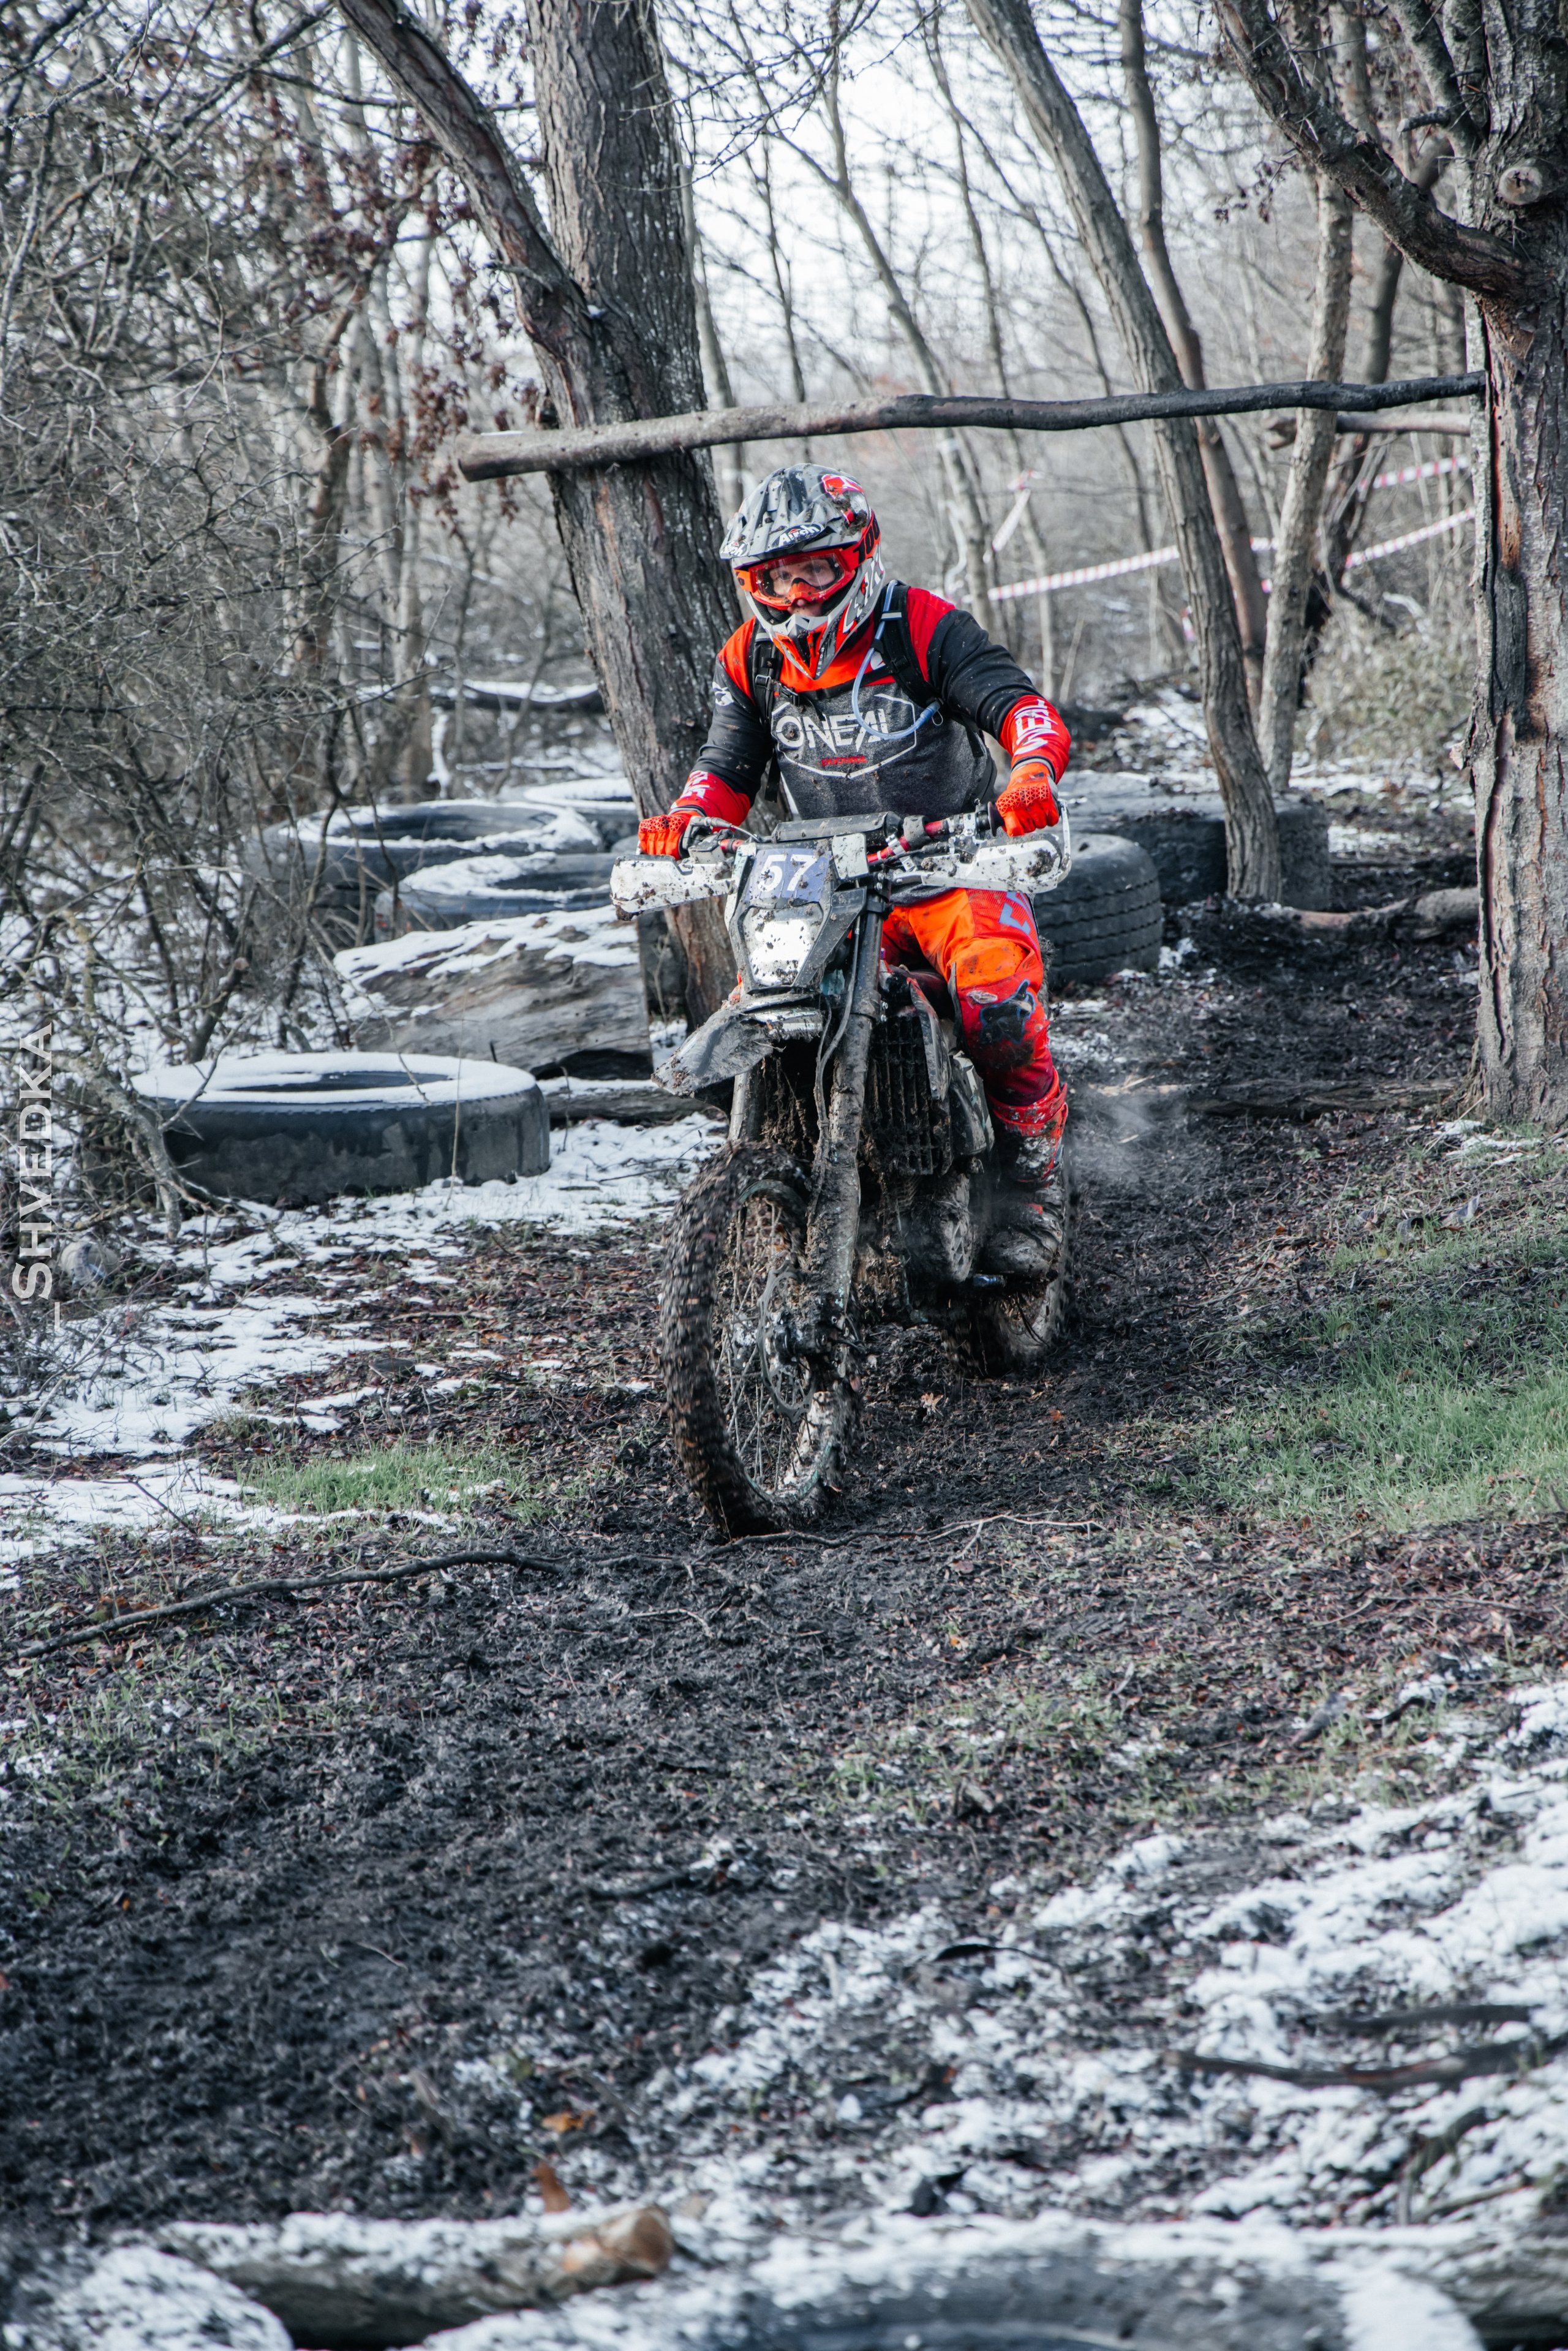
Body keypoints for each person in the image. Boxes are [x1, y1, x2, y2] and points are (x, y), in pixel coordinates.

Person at [639, 463, 1072, 1280]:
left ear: (857, 557)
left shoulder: (921, 625)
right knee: (764, 1017)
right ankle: (789, 1187)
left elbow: (1016, 704)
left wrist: (1032, 769)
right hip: (824, 883)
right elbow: (727, 765)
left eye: (814, 571)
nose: (798, 594)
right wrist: (691, 820)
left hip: (952, 866)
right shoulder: (752, 661)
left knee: (998, 1008)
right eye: (776, 577)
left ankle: (1033, 1190)